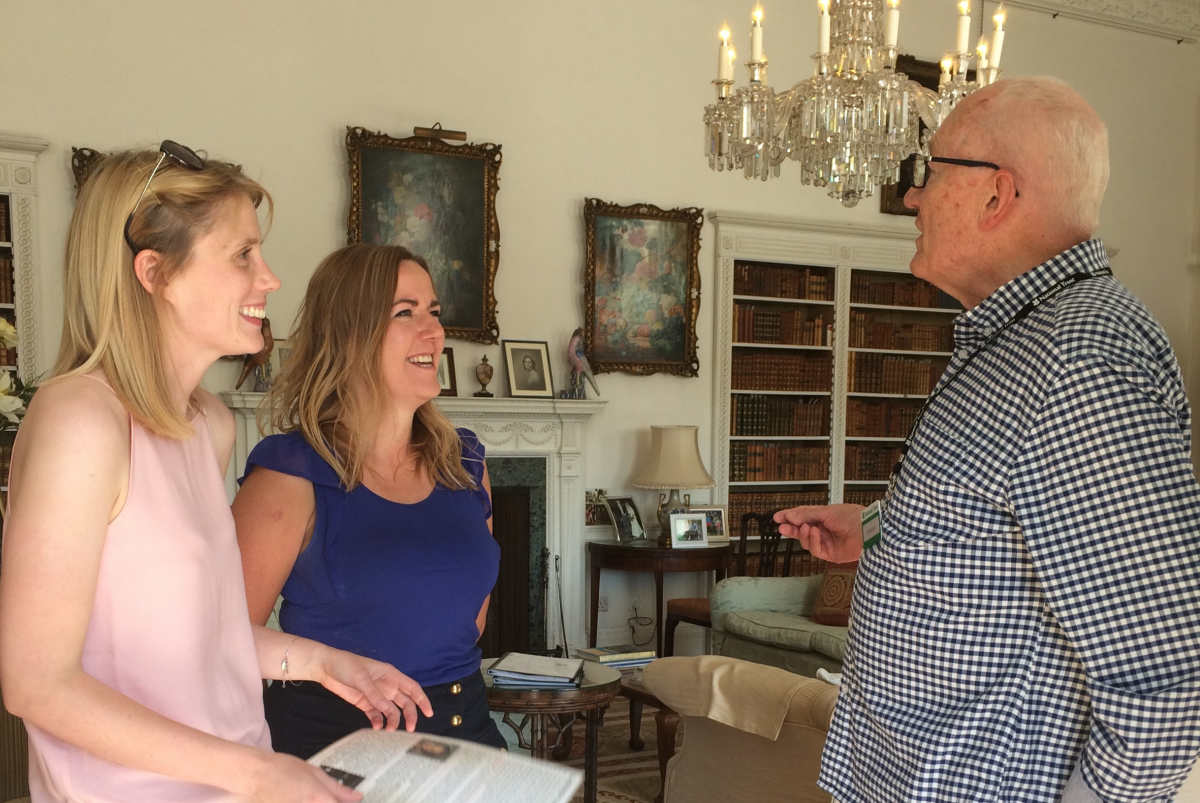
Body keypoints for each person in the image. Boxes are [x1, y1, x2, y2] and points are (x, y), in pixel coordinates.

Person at [776, 78, 1200, 803]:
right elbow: (1005, 517)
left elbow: (1165, 673)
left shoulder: (1081, 353)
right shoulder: (1018, 340)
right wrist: (879, 527)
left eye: (930, 172)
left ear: (996, 194)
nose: (911, 198)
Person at [0, 144, 430, 803]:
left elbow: (202, 632)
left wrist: (319, 660)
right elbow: (36, 682)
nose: (270, 279)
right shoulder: (79, 421)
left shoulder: (210, 424)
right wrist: (258, 772)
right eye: (242, 256)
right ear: (156, 273)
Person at [232, 243, 507, 758]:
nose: (434, 331)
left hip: (466, 732)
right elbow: (218, 638)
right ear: (349, 334)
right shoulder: (289, 472)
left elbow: (467, 621)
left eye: (434, 312)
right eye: (405, 313)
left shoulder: (465, 463)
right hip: (337, 745)